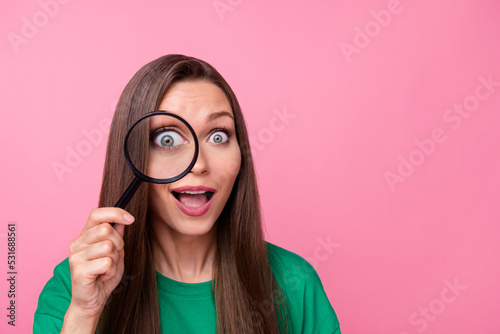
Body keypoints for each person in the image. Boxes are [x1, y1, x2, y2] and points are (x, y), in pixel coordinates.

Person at [33, 54, 341, 333]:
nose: (199, 164)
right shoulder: (74, 287)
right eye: (167, 139)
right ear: (135, 156)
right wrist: (85, 314)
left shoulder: (294, 283)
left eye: (218, 136)